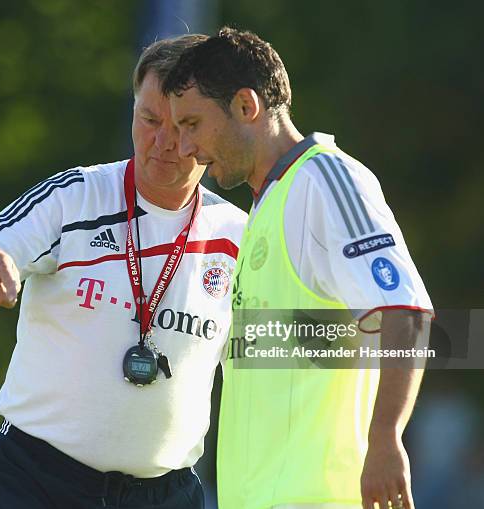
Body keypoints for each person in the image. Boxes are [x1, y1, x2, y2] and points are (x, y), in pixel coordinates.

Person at [0, 34, 247, 509]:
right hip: (33, 480)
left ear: (212, 127)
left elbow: (279, 356)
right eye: (148, 119)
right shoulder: (74, 196)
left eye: (183, 125)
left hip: (166, 493)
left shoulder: (241, 236)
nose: (163, 141)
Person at [163, 28, 433, 509]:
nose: (185, 148)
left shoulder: (326, 179)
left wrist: (387, 440)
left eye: (192, 124)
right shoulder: (263, 210)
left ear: (247, 106)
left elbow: (405, 311)